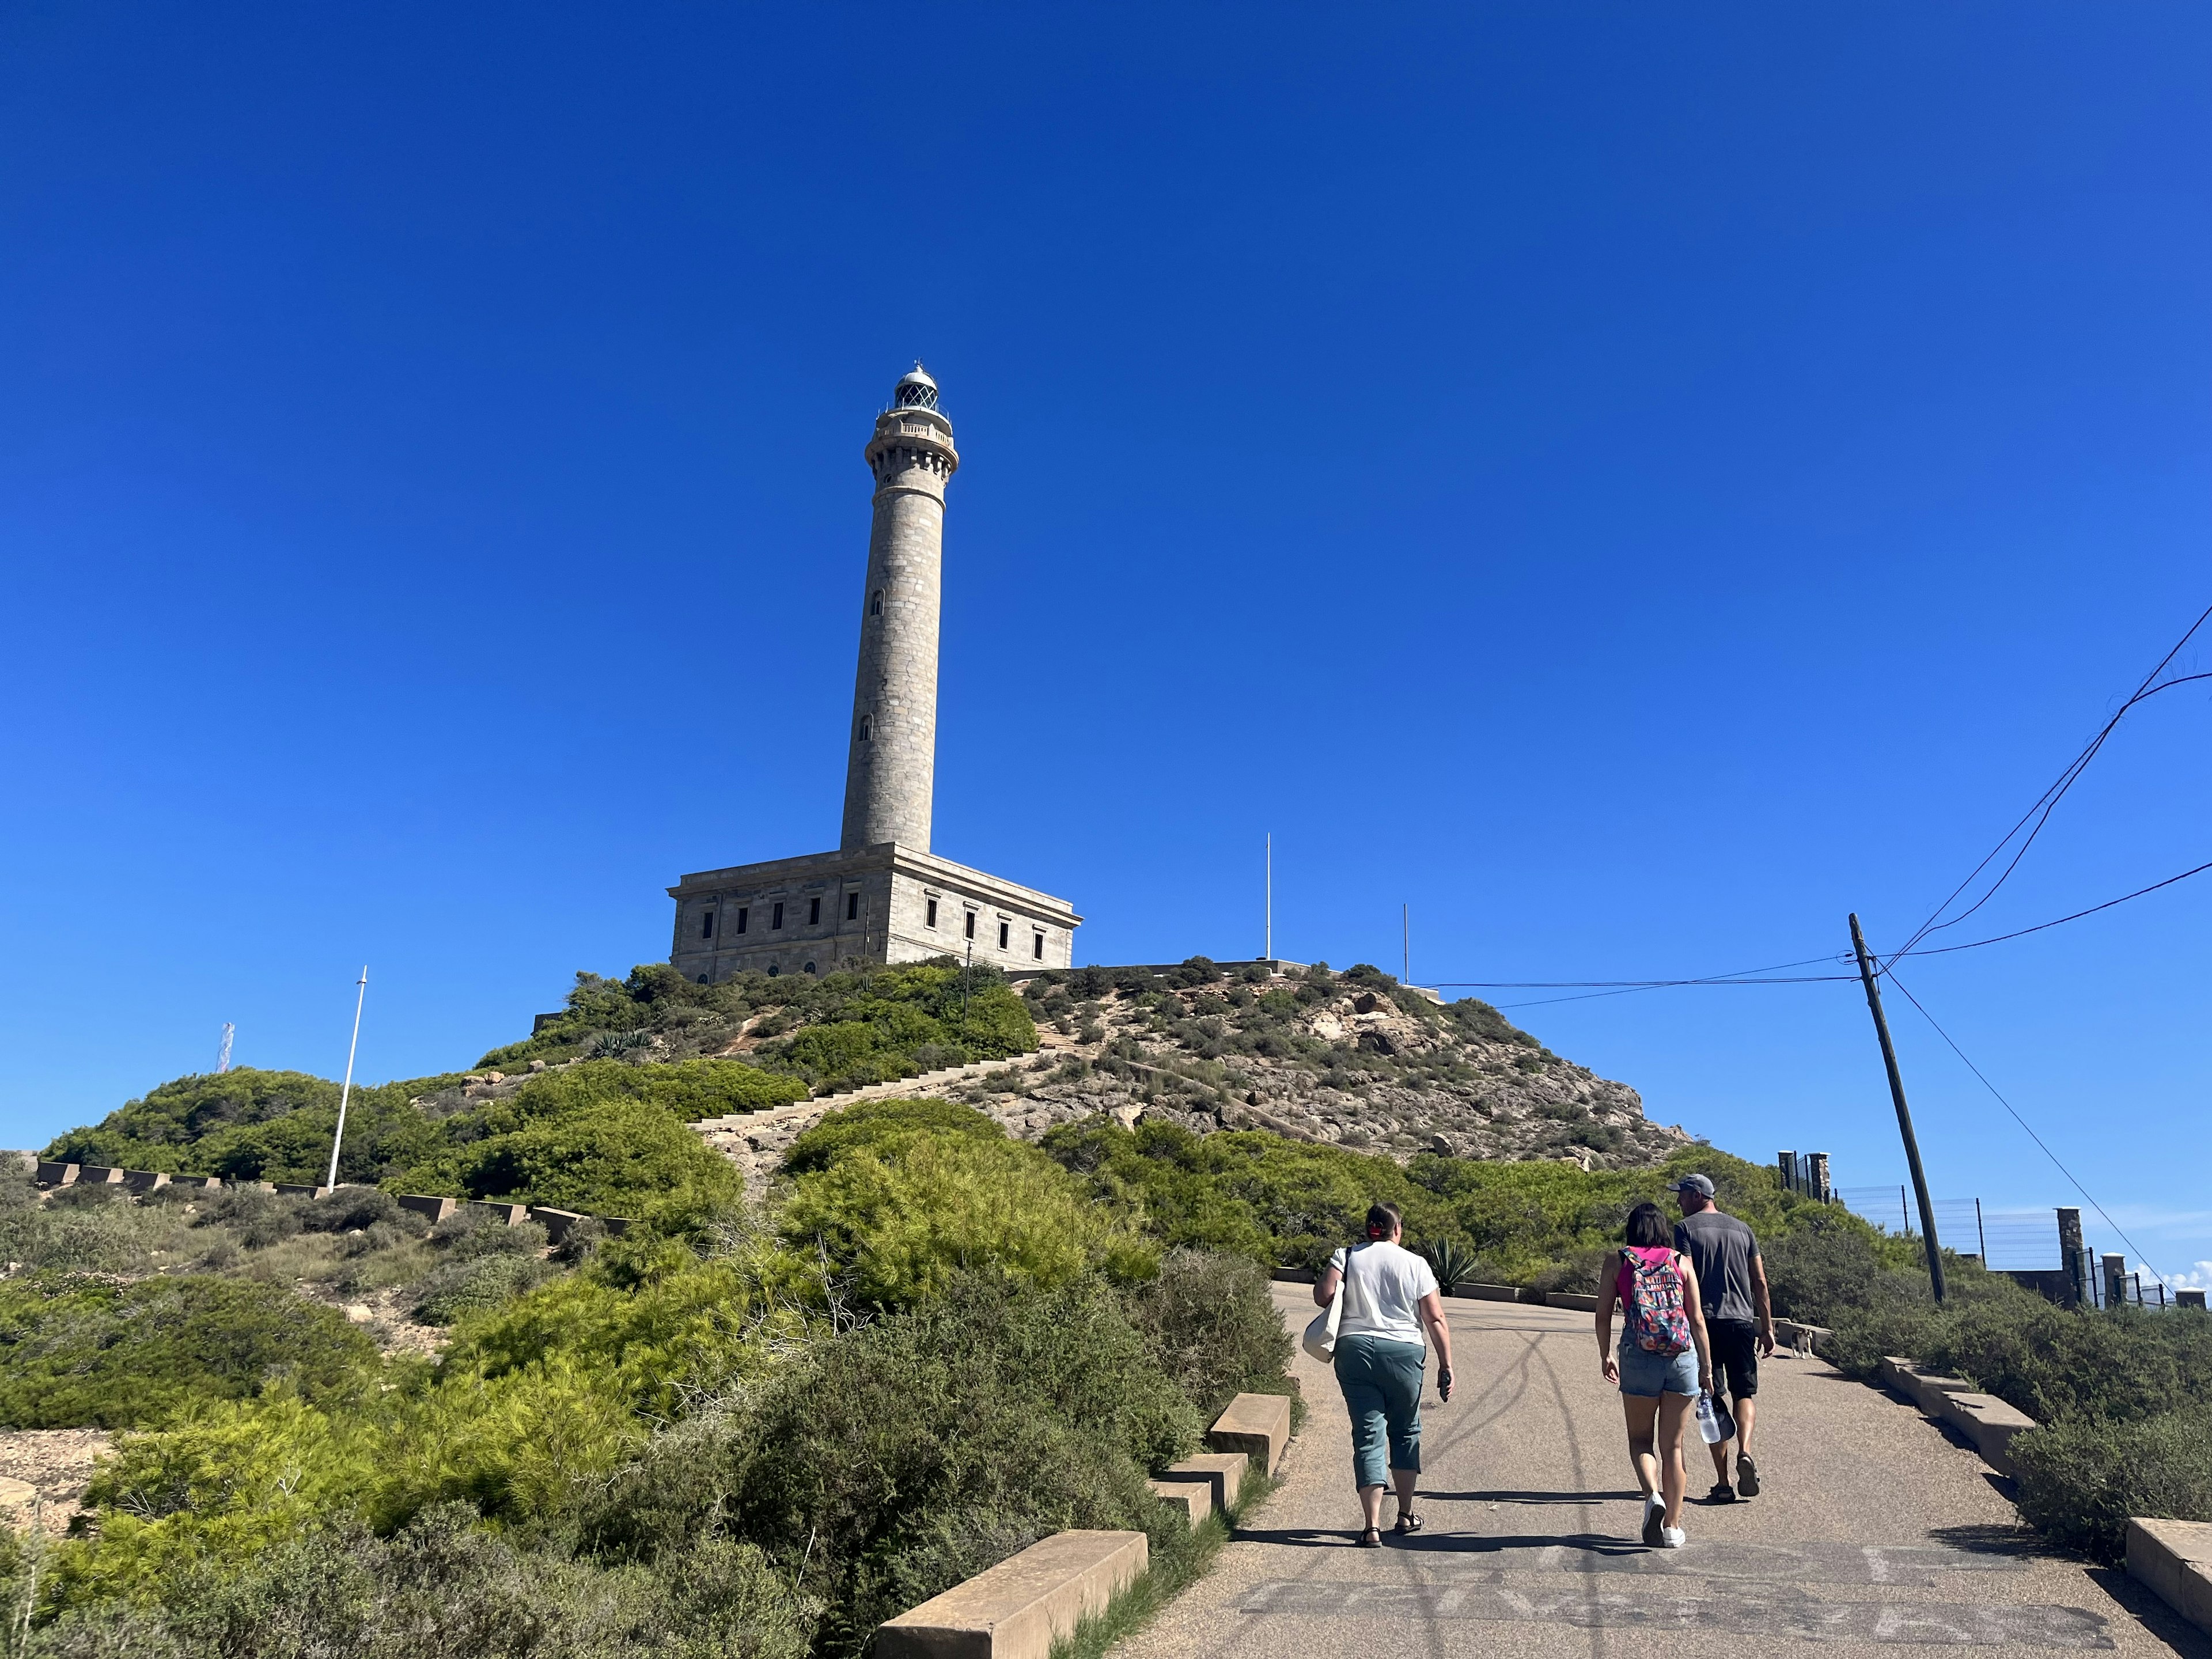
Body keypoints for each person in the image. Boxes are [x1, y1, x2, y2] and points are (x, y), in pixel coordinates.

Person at [1313, 1202, 1456, 1547]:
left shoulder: (1346, 1256)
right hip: (1404, 1352)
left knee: (1367, 1433)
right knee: (1406, 1430)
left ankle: (1371, 1526)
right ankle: (1405, 1514)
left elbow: (1323, 1295)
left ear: (1368, 1229)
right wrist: (1446, 1364)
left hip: (1355, 1349)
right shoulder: (1416, 1263)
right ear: (1398, 1229)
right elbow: (1435, 1318)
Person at [1596, 1200, 1711, 1550]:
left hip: (1639, 1354)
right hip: (1681, 1355)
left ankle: (1652, 1496)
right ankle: (1673, 1529)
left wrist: (1605, 1355)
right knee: (1673, 1446)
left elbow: (1602, 1315)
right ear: (1664, 1229)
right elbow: (1698, 1321)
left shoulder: (1618, 1261)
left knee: (1640, 1440)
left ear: (1632, 1229)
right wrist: (1705, 1367)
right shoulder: (1682, 1263)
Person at [1671, 1173, 1777, 1502]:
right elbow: (1759, 1281)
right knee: (1745, 1393)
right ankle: (1745, 1450)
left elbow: (1683, 1275)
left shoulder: (1685, 1229)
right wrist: (1767, 1327)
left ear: (1698, 1195)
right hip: (1743, 1322)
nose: (1678, 1201)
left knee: (1711, 1398)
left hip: (1706, 1324)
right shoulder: (1743, 1229)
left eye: (1682, 1194)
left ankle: (1724, 1483)